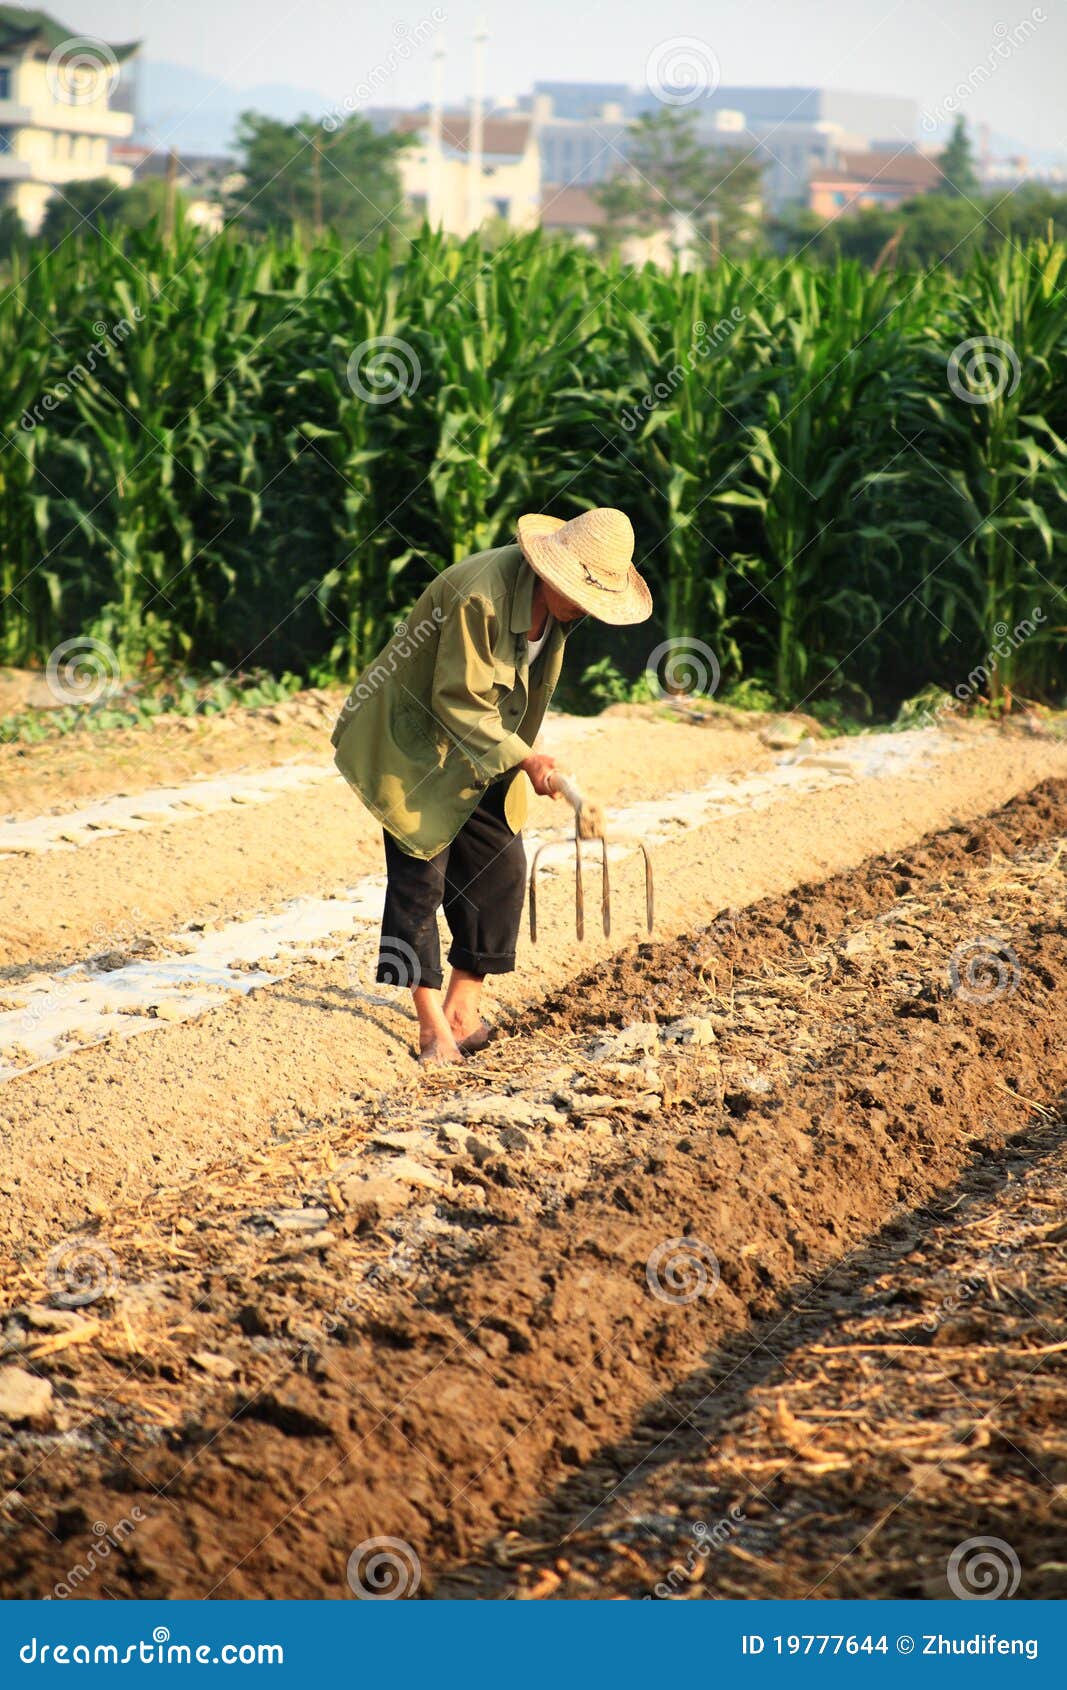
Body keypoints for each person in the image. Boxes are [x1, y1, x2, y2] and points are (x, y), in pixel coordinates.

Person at [331, 507, 653, 1064]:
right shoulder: (480, 597)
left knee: (501, 869)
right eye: (577, 593)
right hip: (414, 744)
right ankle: (431, 1025)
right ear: (550, 569)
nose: (580, 608)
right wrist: (528, 760)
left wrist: (520, 758)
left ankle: (463, 1008)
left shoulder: (556, 611)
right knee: (419, 879)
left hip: (484, 748)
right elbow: (455, 699)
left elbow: (511, 696)